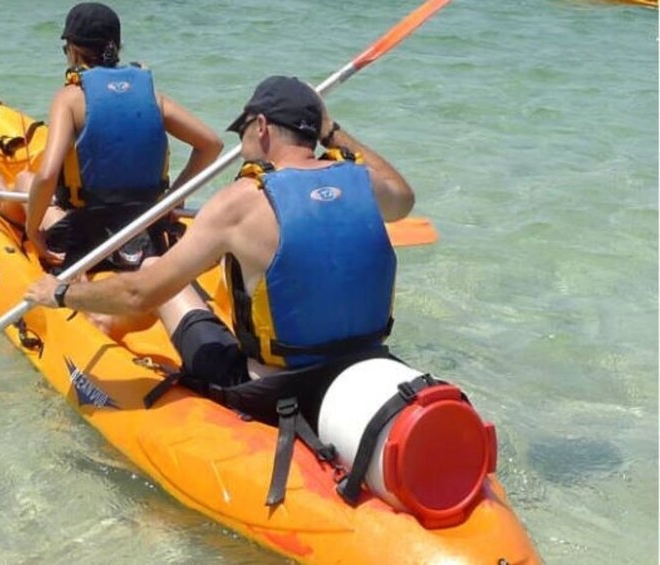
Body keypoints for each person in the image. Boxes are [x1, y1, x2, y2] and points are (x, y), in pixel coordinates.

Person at [25, 75, 414, 422]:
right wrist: (329, 129)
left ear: (261, 126)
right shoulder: (365, 183)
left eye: (243, 129)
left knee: (154, 266)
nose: (240, 141)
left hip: (269, 389)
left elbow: (137, 293)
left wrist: (59, 292)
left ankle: (109, 323)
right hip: (362, 365)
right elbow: (405, 197)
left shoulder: (241, 202)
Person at [0, 2, 222, 271]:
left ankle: (6, 199)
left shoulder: (70, 98)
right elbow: (211, 145)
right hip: (147, 234)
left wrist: (33, 230)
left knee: (27, 180)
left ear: (73, 51)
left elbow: (47, 176)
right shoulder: (151, 96)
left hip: (87, 241)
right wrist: (172, 200)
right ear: (117, 48)